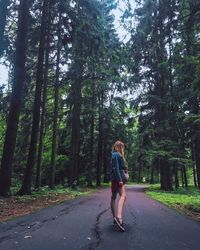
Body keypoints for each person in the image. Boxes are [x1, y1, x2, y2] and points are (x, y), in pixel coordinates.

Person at [110, 140, 127, 232]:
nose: (121, 148)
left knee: (113, 197)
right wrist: (120, 180)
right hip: (118, 178)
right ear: (118, 147)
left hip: (115, 178)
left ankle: (114, 218)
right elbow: (116, 167)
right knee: (123, 196)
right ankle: (119, 218)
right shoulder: (117, 155)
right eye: (120, 146)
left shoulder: (115, 155)